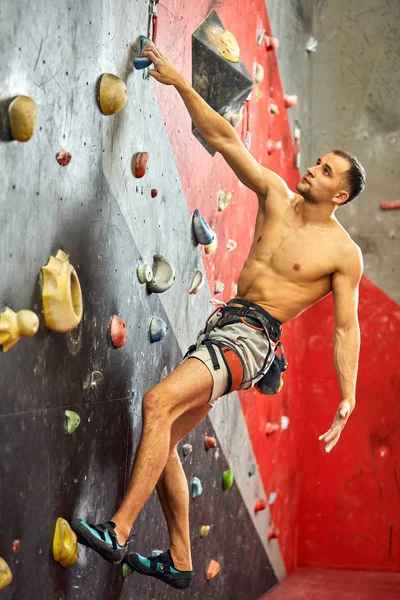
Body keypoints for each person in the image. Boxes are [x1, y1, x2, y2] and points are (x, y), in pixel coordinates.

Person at [71, 42, 365, 590]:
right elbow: (226, 138)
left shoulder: (344, 253)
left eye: (325, 171)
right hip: (225, 324)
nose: (313, 169)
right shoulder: (276, 194)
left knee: (157, 401)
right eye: (317, 160)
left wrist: (348, 395)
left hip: (253, 339)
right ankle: (181, 561)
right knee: (162, 434)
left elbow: (347, 328)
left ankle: (118, 530)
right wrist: (181, 82)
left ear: (340, 194)